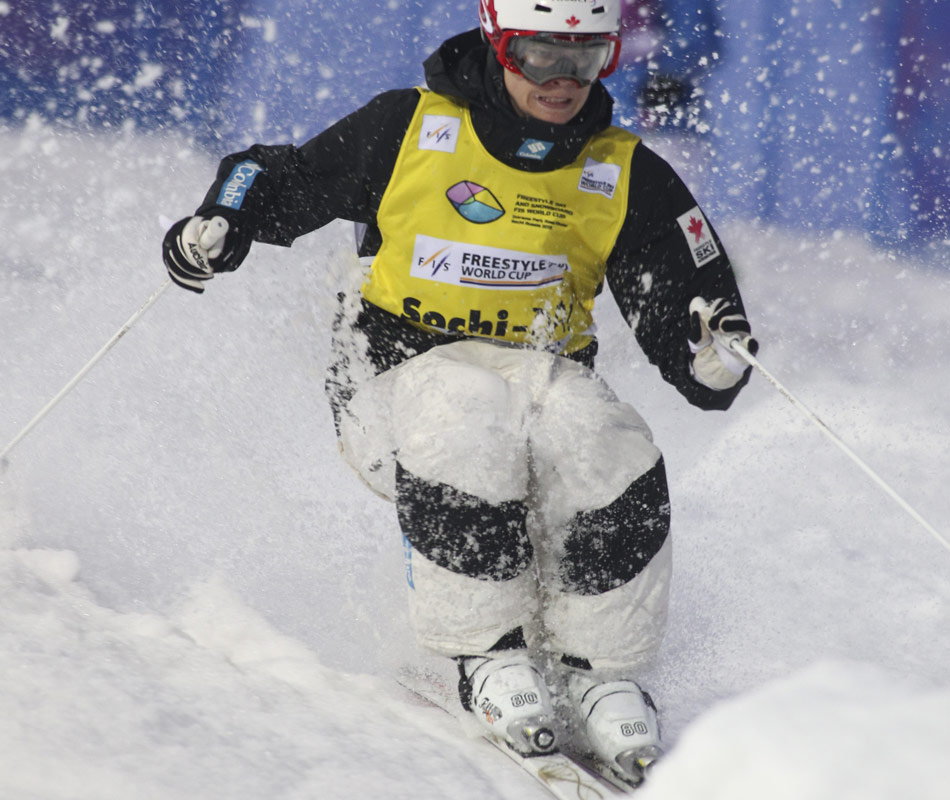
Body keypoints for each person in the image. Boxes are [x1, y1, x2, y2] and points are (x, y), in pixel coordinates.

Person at [162, 0, 756, 784]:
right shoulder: (411, 127)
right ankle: (484, 653)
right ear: (499, 46)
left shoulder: (618, 169)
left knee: (604, 439)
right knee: (467, 411)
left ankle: (601, 668)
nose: (563, 80)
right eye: (541, 56)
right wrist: (222, 219)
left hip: (540, 378)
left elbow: (690, 307)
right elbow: (277, 179)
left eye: (585, 59)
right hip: (392, 380)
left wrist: (713, 356)